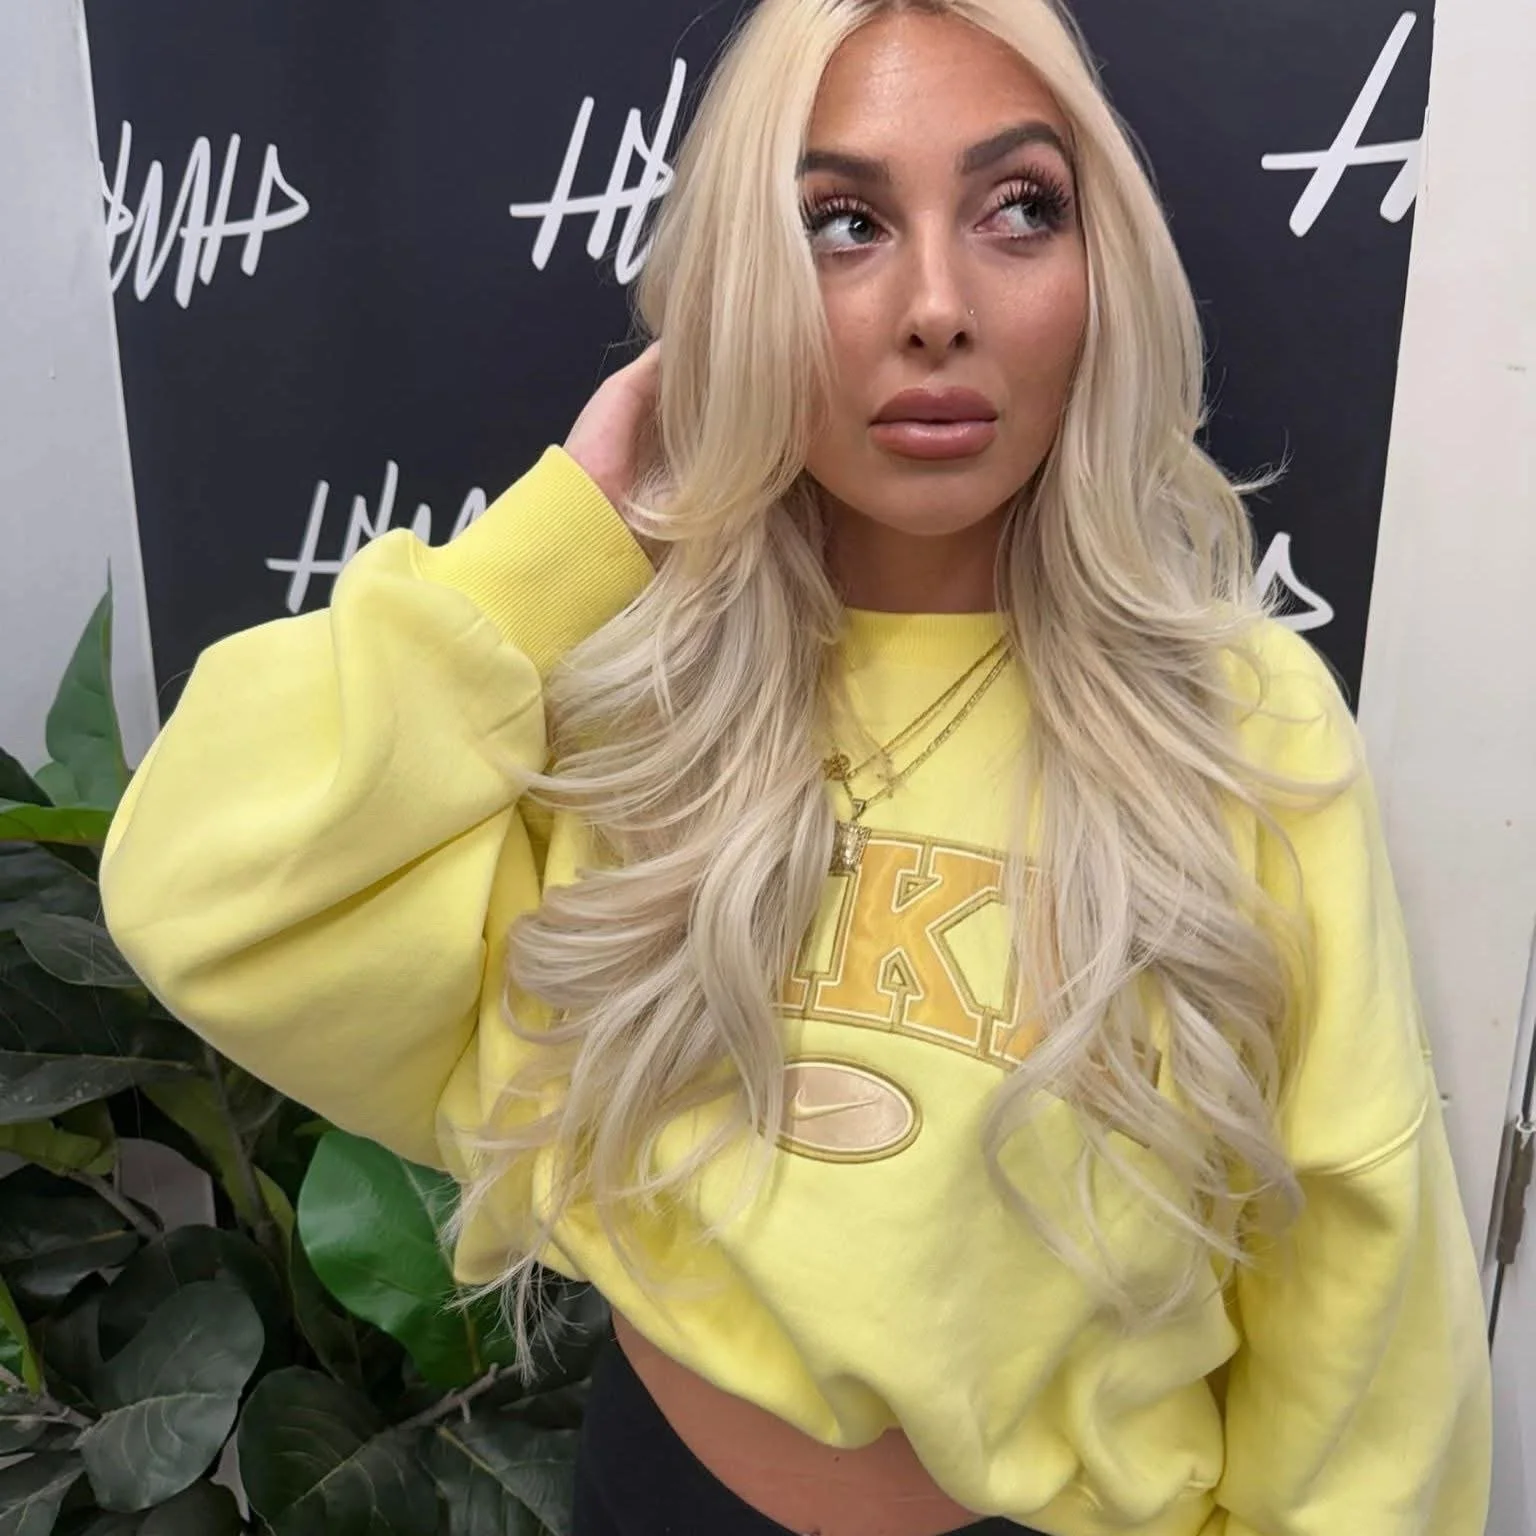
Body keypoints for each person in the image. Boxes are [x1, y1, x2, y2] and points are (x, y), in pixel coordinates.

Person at [99, 1, 1493, 1532]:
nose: (936, 306)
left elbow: (1363, 1289)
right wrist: (564, 547)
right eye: (842, 223)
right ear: (741, 285)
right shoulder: (615, 690)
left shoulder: (1241, 716)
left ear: (1105, 277)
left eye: (1019, 207)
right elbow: (198, 893)